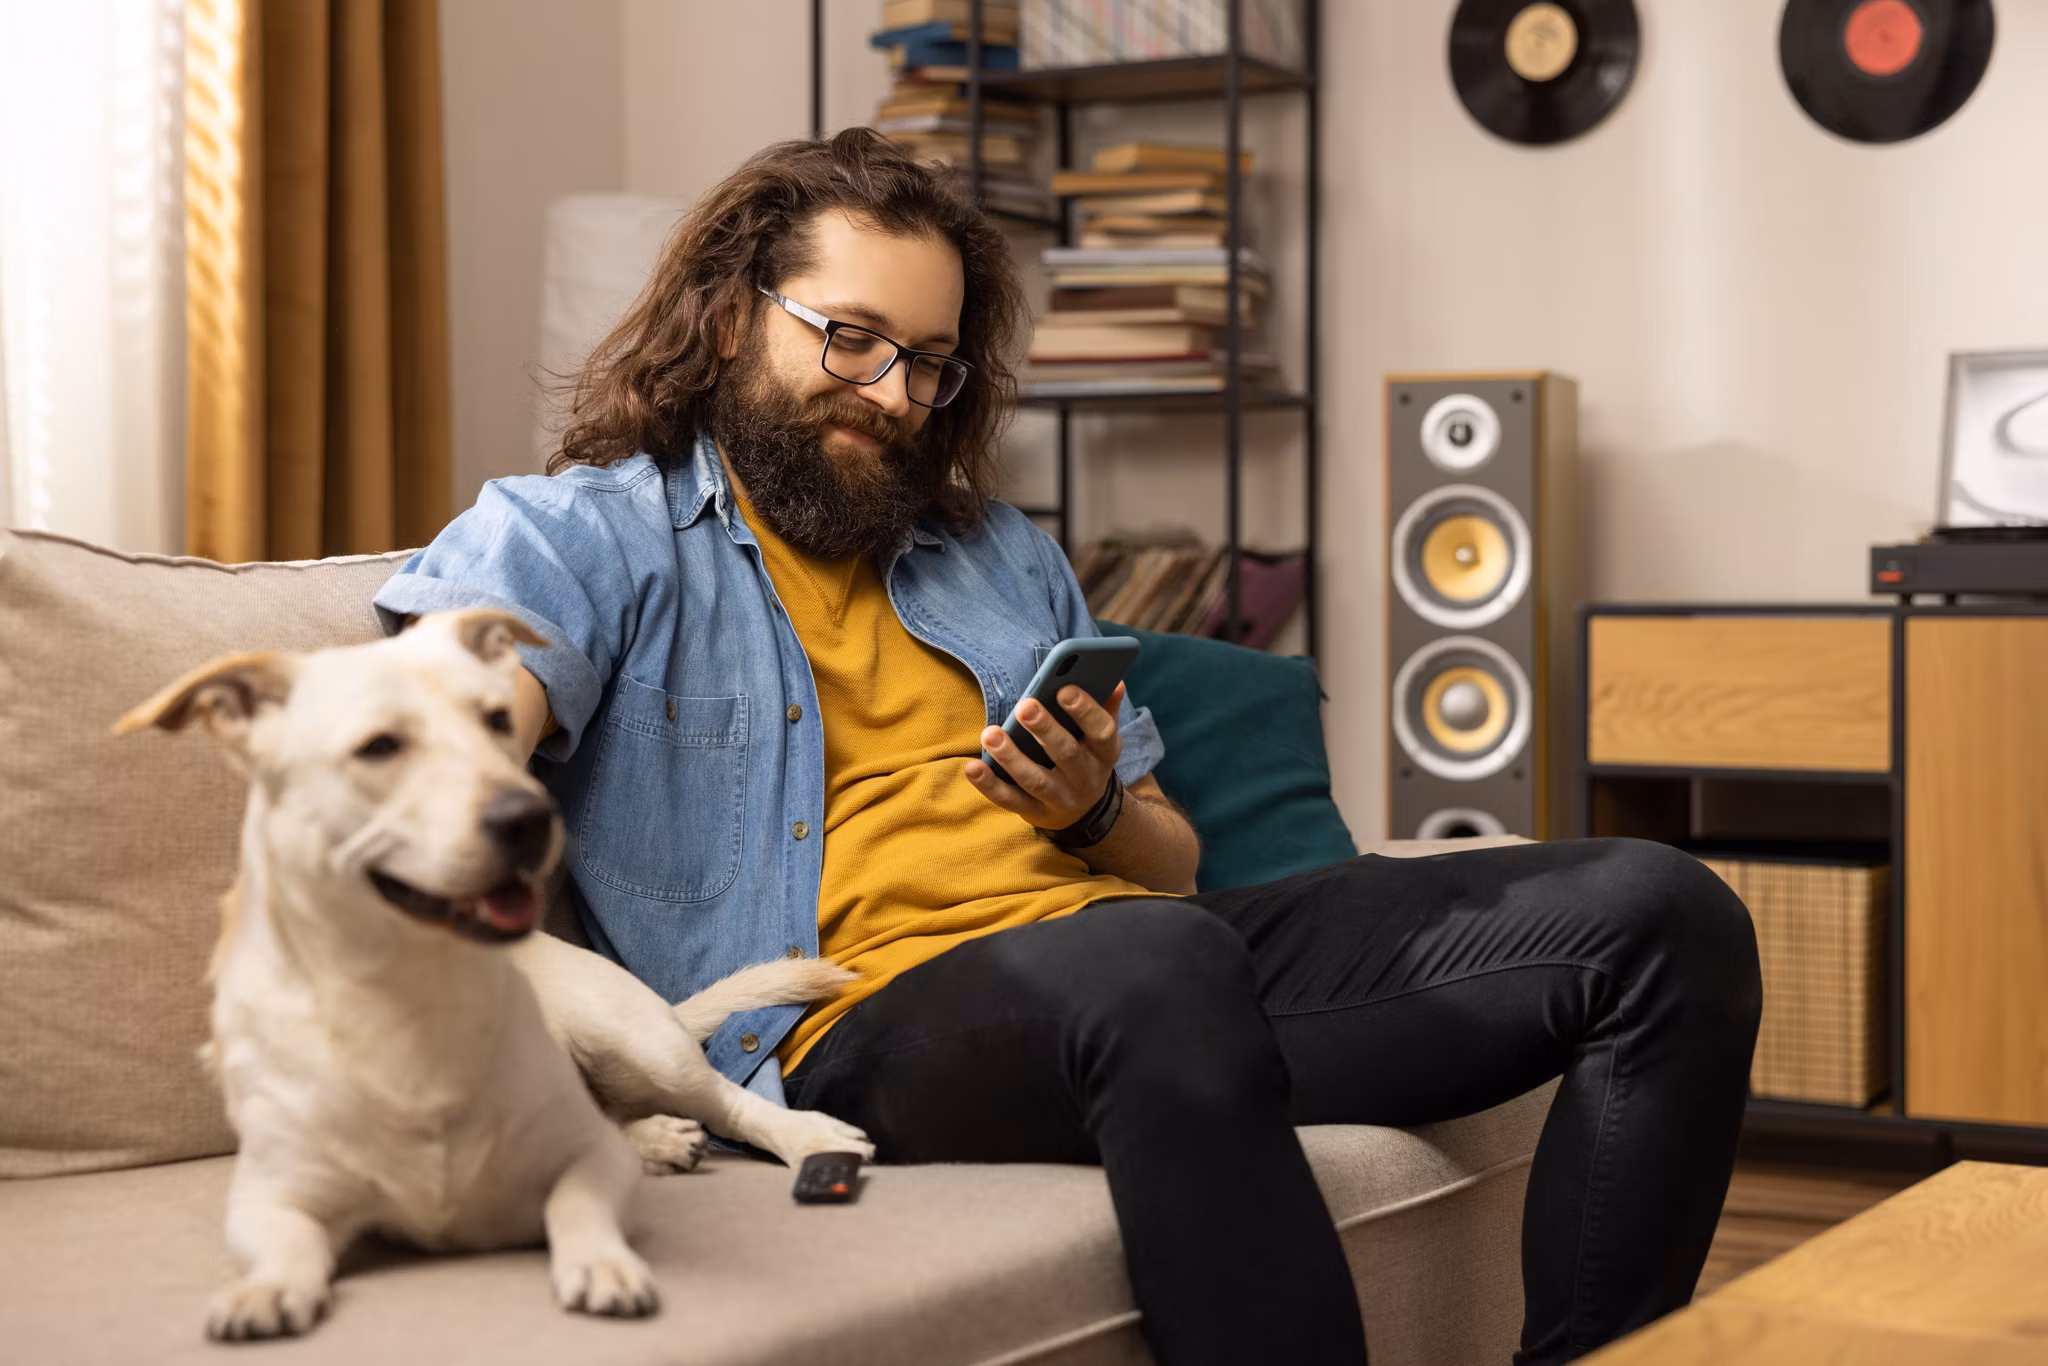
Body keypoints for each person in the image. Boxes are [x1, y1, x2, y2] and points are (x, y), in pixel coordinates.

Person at [372, 129, 1761, 1366]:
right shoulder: (582, 536)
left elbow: (1172, 867)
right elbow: (431, 734)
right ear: (733, 318)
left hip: (1146, 971)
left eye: (929, 361)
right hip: (855, 1024)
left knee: (1662, 912)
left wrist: (1095, 807)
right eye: (850, 338)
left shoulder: (995, 553)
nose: (892, 393)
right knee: (1159, 965)